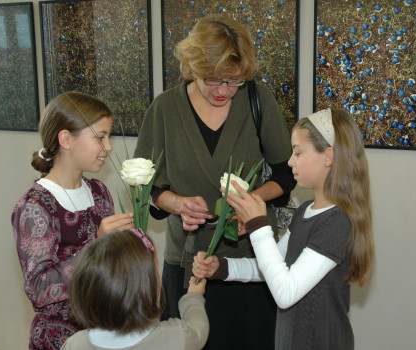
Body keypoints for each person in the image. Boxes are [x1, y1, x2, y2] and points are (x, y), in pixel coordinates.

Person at [134, 15, 296, 350]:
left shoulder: (257, 100)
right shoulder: (164, 109)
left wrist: (250, 203)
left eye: (233, 81)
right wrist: (178, 204)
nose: (223, 90)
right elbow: (148, 187)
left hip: (249, 262)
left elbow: (286, 174)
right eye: (212, 79)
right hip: (187, 263)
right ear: (192, 66)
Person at [193, 108, 375, 349]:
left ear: (328, 156)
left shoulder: (337, 221)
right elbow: (274, 268)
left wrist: (258, 224)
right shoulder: (306, 210)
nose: (290, 161)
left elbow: (285, 293)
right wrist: (223, 267)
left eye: (298, 152)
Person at [11, 92, 134, 350]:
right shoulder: (35, 206)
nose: (109, 147)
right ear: (66, 139)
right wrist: (96, 244)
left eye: (108, 137)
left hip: (103, 332)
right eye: (100, 137)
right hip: (60, 339)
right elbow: (39, 289)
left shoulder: (99, 192)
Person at [60, 229, 209, 350]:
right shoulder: (176, 336)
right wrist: (193, 296)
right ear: (146, 286)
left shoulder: (74, 345)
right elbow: (199, 329)